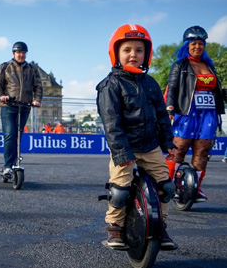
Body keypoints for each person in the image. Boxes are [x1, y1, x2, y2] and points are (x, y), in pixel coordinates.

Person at [96, 24, 177, 250]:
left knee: (167, 188)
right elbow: (112, 123)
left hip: (150, 146)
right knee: (120, 190)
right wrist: (122, 153)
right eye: (127, 50)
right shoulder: (110, 85)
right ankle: (115, 228)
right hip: (125, 147)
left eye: (139, 50)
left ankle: (161, 228)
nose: (133, 54)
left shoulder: (151, 84)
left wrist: (168, 143)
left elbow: (162, 116)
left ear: (146, 54)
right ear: (116, 54)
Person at [165, 26, 226, 201]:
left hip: (208, 113)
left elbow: (217, 91)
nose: (197, 47)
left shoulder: (209, 66)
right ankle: (167, 183)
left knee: (203, 151)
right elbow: (173, 88)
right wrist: (170, 109)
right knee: (179, 148)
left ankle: (195, 188)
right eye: (194, 44)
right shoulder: (180, 65)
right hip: (186, 111)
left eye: (200, 43)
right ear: (186, 45)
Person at [0, 41, 43, 177]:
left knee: (18, 135)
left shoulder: (32, 69)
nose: (21, 55)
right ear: (13, 53)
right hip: (8, 106)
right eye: (18, 52)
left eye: (23, 53)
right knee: (10, 134)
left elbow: (38, 86)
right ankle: (7, 166)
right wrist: (1, 96)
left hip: (24, 106)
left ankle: (14, 163)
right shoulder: (5, 67)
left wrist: (37, 99)